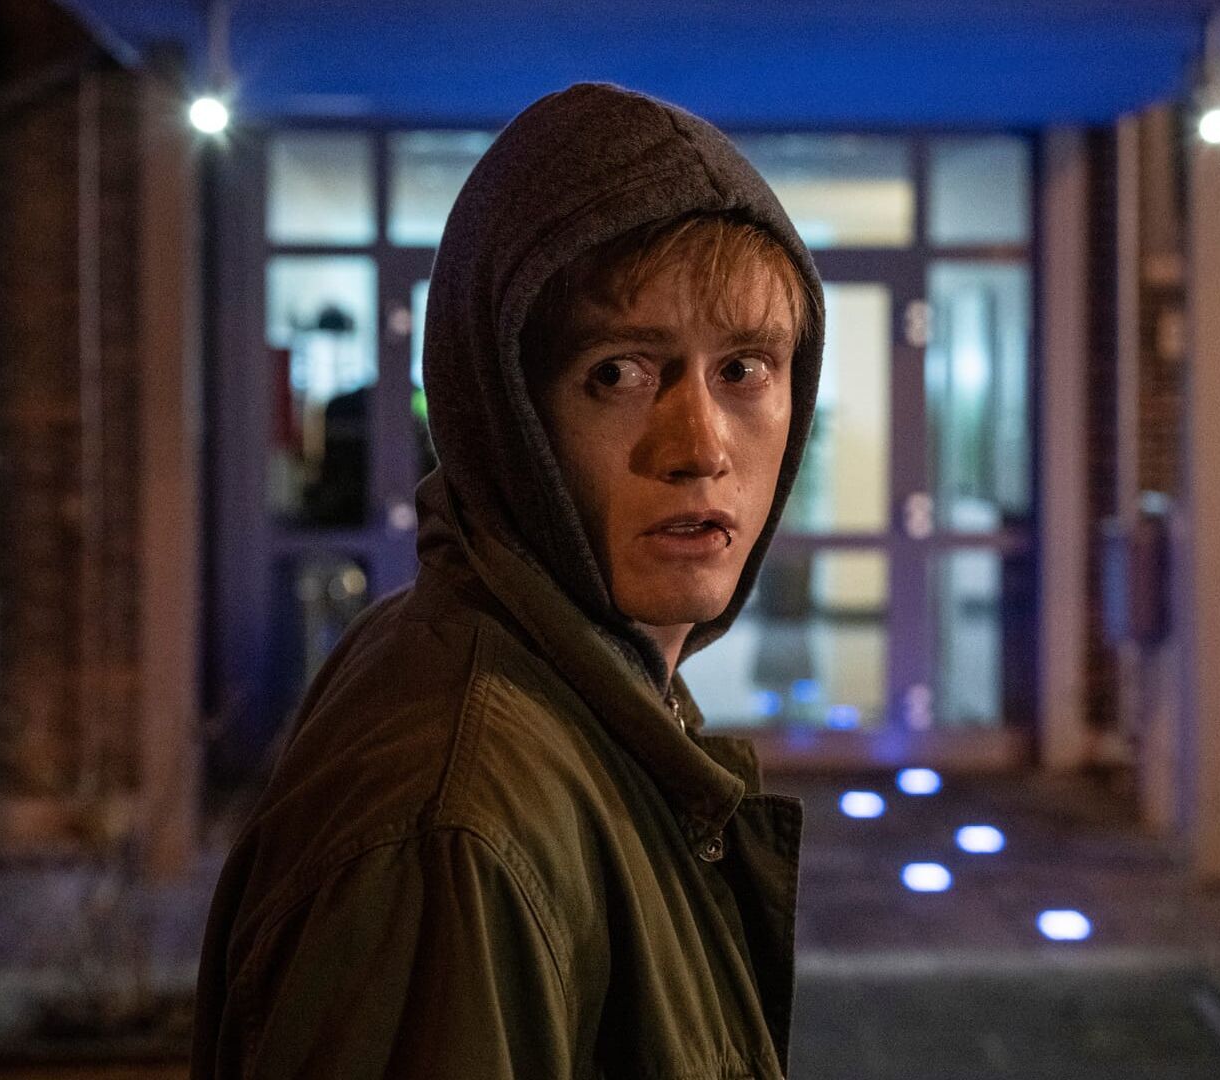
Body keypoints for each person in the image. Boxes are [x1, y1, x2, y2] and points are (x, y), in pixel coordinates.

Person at [190, 82, 825, 1080]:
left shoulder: (587, 690)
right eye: (619, 372)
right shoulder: (453, 831)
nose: (700, 448)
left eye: (744, 370)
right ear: (506, 417)